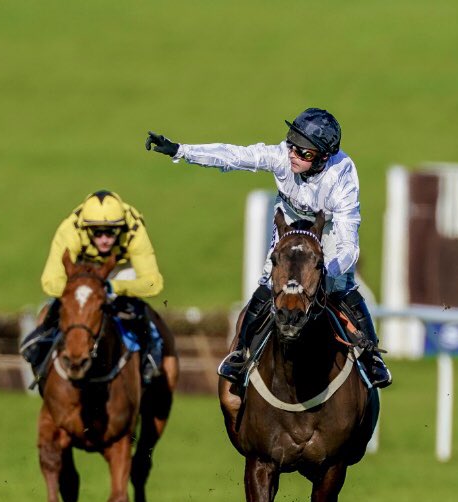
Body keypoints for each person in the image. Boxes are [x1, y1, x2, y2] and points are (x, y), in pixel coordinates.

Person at [145, 107, 392, 389]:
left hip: (329, 229)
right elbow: (234, 156)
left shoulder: (343, 177)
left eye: (304, 153)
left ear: (324, 157)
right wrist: (179, 150)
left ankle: (372, 356)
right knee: (269, 280)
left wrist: (325, 270)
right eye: (292, 144)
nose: (293, 155)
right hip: (289, 222)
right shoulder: (281, 155)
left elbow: (349, 247)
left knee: (340, 284)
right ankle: (241, 353)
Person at [20, 190, 165, 387]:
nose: (104, 239)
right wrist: (83, 290)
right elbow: (50, 281)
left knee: (136, 308)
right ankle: (39, 344)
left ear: (120, 228)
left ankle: (151, 354)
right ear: (86, 229)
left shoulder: (134, 229)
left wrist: (114, 287)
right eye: (97, 232)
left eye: (111, 232)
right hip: (82, 272)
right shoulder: (69, 230)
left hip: (119, 271)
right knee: (59, 306)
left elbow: (153, 282)